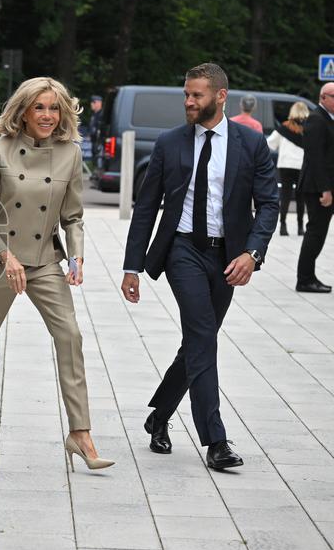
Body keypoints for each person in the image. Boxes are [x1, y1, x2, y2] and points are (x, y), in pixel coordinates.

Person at [0, 76, 112, 472]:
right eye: (40, 107)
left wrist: (77, 257)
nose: (48, 116)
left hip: (45, 260)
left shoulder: (70, 154)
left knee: (70, 335)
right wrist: (6, 257)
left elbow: (73, 217)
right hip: (1, 261)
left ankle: (80, 433)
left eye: (54, 108)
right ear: (23, 110)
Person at [122, 63, 279, 470]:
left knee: (197, 342)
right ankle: (216, 441)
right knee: (203, 337)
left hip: (227, 257)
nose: (189, 102)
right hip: (182, 250)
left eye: (197, 96)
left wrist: (252, 254)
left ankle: (159, 416)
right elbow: (145, 208)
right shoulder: (171, 143)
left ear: (220, 96)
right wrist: (132, 267)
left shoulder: (250, 143)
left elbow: (269, 205)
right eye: (186, 95)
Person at [296, 83, 334, 292]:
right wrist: (325, 190)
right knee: (316, 233)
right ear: (324, 97)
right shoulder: (316, 120)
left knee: (318, 232)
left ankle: (308, 277)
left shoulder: (327, 119)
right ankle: (305, 279)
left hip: (325, 185)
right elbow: (316, 159)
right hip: (317, 188)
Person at [267, 101, 309, 236]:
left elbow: (270, 144)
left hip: (285, 165)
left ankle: (283, 226)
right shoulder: (308, 129)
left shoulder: (283, 128)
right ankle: (300, 227)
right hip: (301, 166)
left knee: (285, 196)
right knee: (300, 197)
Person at [87, 95, 103, 160]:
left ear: (99, 103)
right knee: (94, 158)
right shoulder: (94, 114)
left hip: (99, 141)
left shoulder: (102, 114)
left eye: (94, 102)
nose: (91, 104)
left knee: (98, 158)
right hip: (94, 141)